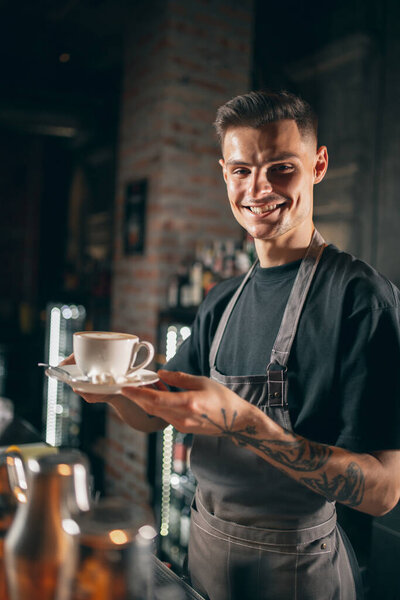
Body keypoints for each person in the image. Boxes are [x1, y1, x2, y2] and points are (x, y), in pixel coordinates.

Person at [67, 91, 400, 600]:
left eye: (281, 168)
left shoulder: (360, 299)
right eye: (242, 170)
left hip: (298, 570)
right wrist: (111, 389)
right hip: (203, 550)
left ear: (319, 164)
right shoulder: (221, 299)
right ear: (225, 173)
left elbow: (381, 492)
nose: (258, 188)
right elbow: (156, 415)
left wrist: (247, 424)